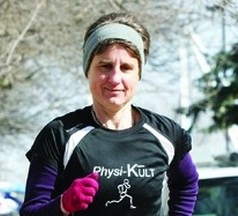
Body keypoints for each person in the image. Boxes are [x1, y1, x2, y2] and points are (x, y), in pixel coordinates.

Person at [19, 12, 199, 216]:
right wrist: (63, 205)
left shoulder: (167, 134)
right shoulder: (60, 134)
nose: (115, 78)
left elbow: (187, 184)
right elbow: (30, 212)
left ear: (139, 73)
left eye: (126, 67)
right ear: (88, 70)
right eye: (105, 66)